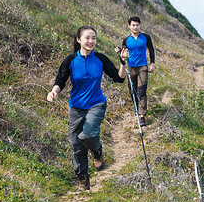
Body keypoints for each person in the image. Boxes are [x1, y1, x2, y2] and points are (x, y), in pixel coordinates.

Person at [47, 26, 129, 191]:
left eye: (93, 38)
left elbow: (119, 78)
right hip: (75, 107)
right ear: (78, 40)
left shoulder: (100, 59)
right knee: (76, 144)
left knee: (88, 134)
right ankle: (83, 181)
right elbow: (60, 80)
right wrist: (54, 91)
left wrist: (122, 62)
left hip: (96, 104)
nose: (91, 41)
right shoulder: (70, 60)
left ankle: (97, 151)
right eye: (87, 38)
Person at [120, 16, 155, 126]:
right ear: (129, 26)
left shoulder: (146, 37)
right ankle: (137, 107)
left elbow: (151, 50)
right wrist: (121, 55)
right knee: (132, 89)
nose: (135, 27)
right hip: (130, 67)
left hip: (143, 67)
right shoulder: (126, 40)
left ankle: (142, 115)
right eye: (133, 25)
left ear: (140, 25)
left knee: (142, 90)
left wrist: (152, 63)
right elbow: (123, 55)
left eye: (137, 25)